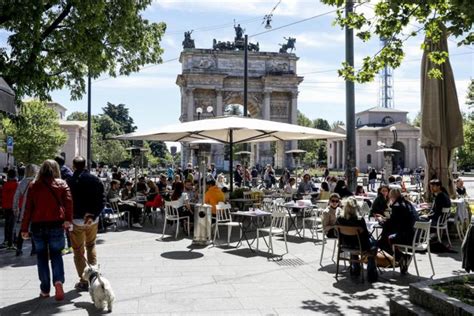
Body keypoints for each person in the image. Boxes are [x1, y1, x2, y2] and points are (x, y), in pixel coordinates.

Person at [21, 160, 73, 300]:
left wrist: (24, 228)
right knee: (56, 254)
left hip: (38, 226)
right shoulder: (62, 184)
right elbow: (69, 203)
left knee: (41, 256)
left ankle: (45, 289)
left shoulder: (33, 186)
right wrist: (68, 220)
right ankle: (58, 282)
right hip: (56, 224)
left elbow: (28, 209)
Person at [66, 156, 105, 292]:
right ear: (86, 165)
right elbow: (102, 200)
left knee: (78, 250)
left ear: (74, 166)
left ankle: (83, 280)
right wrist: (93, 214)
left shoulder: (69, 181)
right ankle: (94, 276)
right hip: (92, 220)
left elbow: (66, 202)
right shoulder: (95, 180)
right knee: (91, 245)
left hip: (76, 220)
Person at [336, 196, 378, 282]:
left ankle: (355, 268)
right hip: (359, 246)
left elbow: (336, 233)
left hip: (344, 245)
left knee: (354, 242)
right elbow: (365, 235)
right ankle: (371, 272)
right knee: (374, 245)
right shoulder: (359, 219)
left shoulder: (339, 219)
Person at [377, 188, 417, 274]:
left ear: (392, 197)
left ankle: (402, 257)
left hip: (406, 236)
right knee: (386, 237)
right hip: (413, 233)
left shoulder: (397, 206)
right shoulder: (407, 203)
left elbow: (393, 223)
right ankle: (402, 259)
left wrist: (381, 221)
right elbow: (397, 221)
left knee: (384, 241)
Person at [13, 164, 38, 256]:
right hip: (36, 209)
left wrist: (15, 208)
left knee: (23, 228)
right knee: (34, 228)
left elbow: (16, 197)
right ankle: (34, 249)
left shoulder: (22, 182)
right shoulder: (37, 182)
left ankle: (19, 248)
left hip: (25, 208)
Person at [1, 169, 18, 250]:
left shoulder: (5, 185)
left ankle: (6, 240)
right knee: (12, 225)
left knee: (7, 224)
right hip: (14, 207)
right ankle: (11, 243)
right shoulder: (17, 184)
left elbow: (3, 196)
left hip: (6, 207)